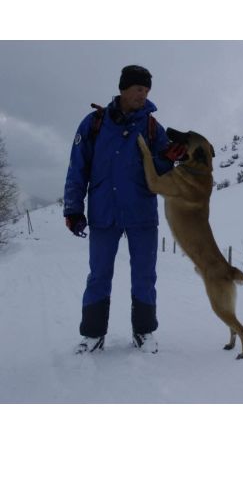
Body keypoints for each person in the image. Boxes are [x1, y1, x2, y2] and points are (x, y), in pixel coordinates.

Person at [63, 65, 186, 354]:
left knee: (145, 275)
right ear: (123, 89)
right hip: (104, 211)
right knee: (98, 275)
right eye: (138, 89)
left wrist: (168, 158)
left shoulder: (153, 128)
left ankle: (143, 332)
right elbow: (77, 167)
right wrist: (72, 208)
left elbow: (156, 172)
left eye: (146, 91)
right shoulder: (94, 124)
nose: (143, 95)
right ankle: (93, 335)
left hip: (141, 212)